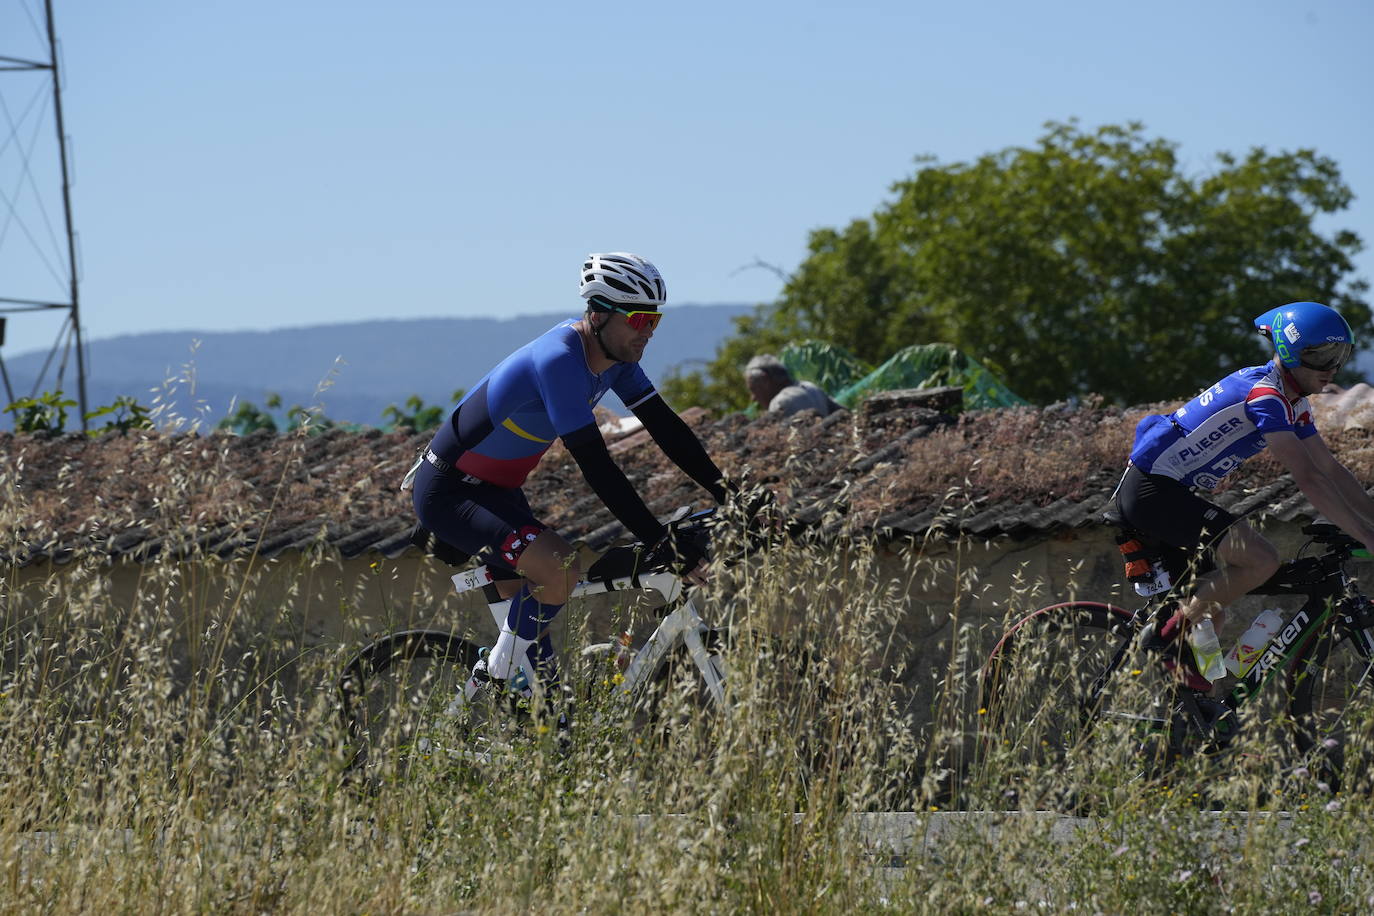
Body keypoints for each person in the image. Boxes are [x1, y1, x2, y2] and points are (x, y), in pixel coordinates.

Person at [411, 252, 731, 705]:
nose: (646, 332)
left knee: (542, 678)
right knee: (560, 567)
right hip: (449, 492)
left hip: (500, 493)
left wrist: (731, 494)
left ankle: (549, 733)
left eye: (655, 322)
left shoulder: (616, 357)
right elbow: (597, 465)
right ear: (598, 313)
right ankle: (485, 686)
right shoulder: (558, 360)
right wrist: (657, 539)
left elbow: (666, 428)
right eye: (638, 318)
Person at [1118, 301, 1374, 688]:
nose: (1333, 369)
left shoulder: (1294, 401)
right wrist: (1366, 536)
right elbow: (1309, 477)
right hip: (1153, 490)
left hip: (1169, 491)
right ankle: (1162, 638)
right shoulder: (1265, 396)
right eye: (1322, 356)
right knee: (1260, 559)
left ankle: (1189, 707)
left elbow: (1331, 469)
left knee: (1210, 615)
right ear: (1290, 351)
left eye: (1340, 357)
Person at [744, 354, 842, 418]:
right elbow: (842, 413)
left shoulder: (780, 403)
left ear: (765, 381)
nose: (753, 398)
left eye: (754, 390)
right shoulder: (811, 387)